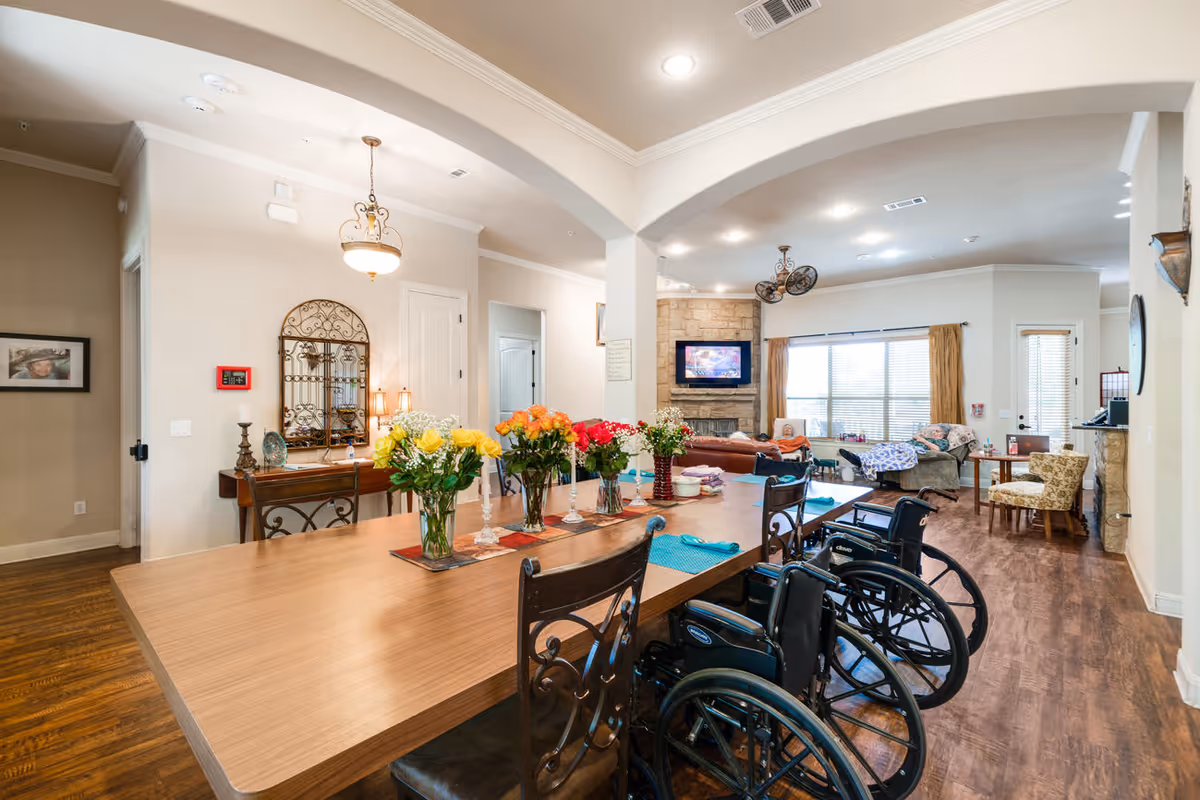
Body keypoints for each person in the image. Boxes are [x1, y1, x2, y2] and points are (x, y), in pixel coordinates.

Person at [839, 426, 952, 480]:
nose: (934, 432)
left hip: (912, 449)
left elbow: (937, 449)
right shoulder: (928, 438)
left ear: (943, 434)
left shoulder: (942, 442)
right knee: (881, 448)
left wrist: (922, 440)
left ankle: (860, 461)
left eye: (937, 431)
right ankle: (860, 458)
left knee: (888, 452)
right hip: (905, 445)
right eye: (934, 430)